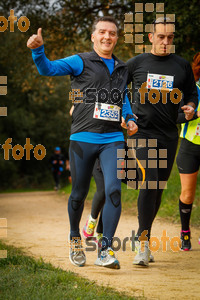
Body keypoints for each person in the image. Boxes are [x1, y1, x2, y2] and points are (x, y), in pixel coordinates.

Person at [27, 16, 138, 269]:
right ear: (93, 36)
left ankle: (105, 249)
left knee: (113, 191)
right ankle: (75, 239)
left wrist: (130, 117)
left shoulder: (122, 68)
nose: (107, 37)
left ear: (117, 37)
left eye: (112, 33)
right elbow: (48, 69)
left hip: (113, 139)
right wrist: (38, 51)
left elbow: (123, 98)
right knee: (78, 194)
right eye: (102, 32)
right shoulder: (80, 61)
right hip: (82, 139)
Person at [126, 17, 198, 266]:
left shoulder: (182, 65)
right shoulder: (136, 63)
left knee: (157, 189)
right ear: (150, 37)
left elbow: (191, 93)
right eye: (161, 37)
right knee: (150, 181)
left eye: (170, 38)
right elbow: (116, 87)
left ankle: (144, 237)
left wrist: (190, 106)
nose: (166, 42)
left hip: (169, 134)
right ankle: (143, 244)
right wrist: (125, 114)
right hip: (142, 132)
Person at [176, 52, 200, 251]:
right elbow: (176, 117)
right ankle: (185, 231)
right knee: (188, 194)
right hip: (190, 146)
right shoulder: (193, 88)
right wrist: (197, 113)